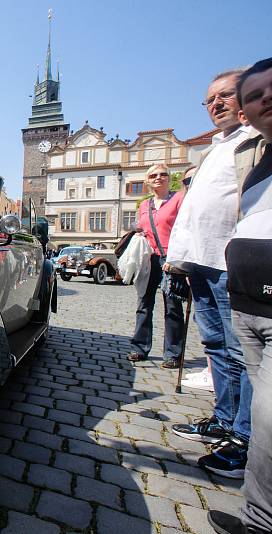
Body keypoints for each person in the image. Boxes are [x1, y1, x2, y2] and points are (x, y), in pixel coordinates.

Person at [166, 68, 255, 480]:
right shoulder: (219, 145)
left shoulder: (254, 140)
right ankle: (223, 421)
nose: (215, 104)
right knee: (217, 345)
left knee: (243, 352)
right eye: (209, 100)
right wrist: (178, 255)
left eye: (225, 95)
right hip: (201, 259)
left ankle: (244, 438)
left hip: (230, 260)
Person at [207, 57, 272, 534]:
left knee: (269, 420)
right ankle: (256, 515)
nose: (263, 99)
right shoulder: (256, 157)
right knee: (259, 411)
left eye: (226, 97)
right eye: (255, 94)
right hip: (247, 298)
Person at [126, 164, 185, 368]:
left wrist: (179, 258)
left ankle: (173, 353)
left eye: (163, 174)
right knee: (144, 304)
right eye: (153, 175)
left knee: (173, 307)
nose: (158, 177)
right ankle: (139, 347)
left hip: (171, 257)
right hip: (149, 258)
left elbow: (185, 228)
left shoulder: (179, 198)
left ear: (169, 178)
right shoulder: (145, 205)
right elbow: (142, 226)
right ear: (148, 181)